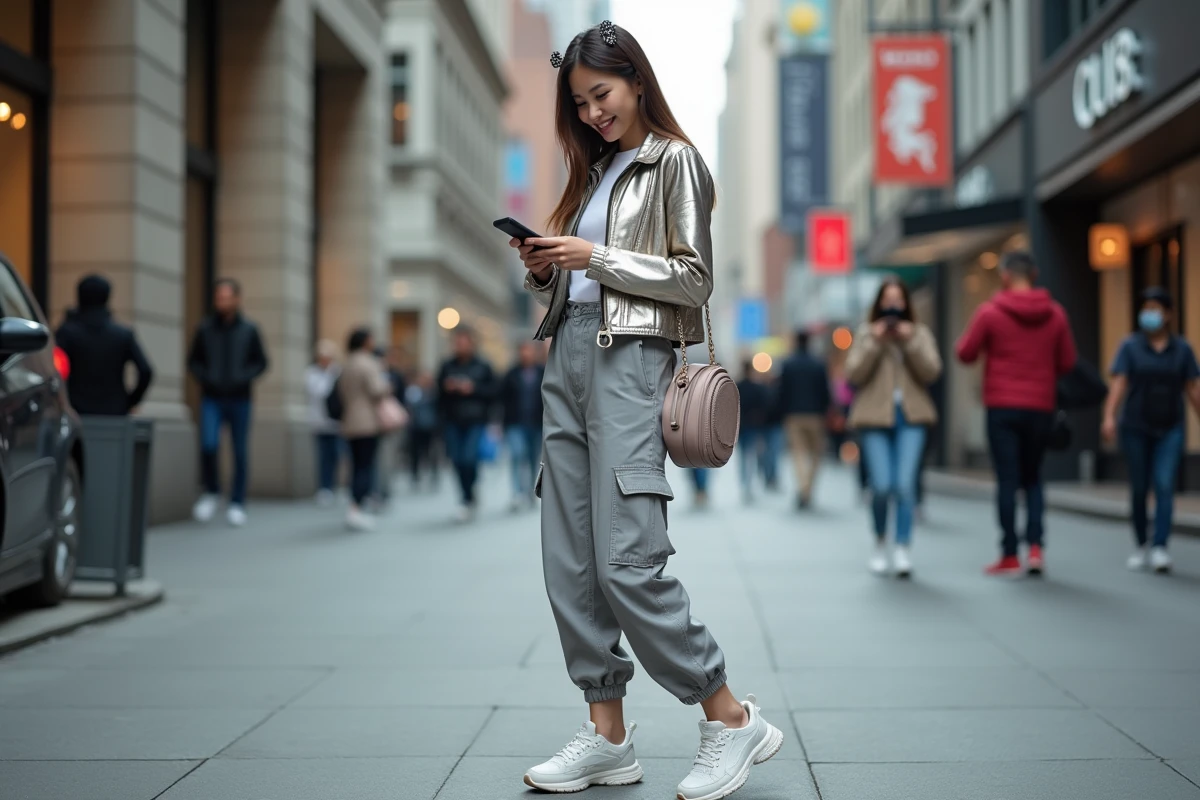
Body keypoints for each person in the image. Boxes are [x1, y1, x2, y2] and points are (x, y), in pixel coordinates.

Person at [509, 22, 782, 799]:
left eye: (602, 95)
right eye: (581, 103)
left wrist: (591, 255)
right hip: (567, 360)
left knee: (627, 558)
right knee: (569, 557)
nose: (593, 113)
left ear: (635, 81)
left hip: (632, 366)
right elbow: (585, 281)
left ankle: (729, 716)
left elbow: (693, 281)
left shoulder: (675, 161)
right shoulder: (594, 173)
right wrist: (546, 267)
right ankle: (607, 734)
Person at [957, 251, 1076, 576]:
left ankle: (1010, 554)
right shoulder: (1056, 315)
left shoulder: (990, 312)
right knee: (1034, 477)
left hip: (1002, 408)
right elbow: (1067, 362)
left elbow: (965, 353)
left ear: (1005, 276)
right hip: (1040, 406)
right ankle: (1036, 549)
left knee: (1007, 480)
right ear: (1034, 274)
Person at [845, 278, 942, 578]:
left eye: (898, 300)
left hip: (910, 419)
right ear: (878, 304)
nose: (892, 307)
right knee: (882, 485)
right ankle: (879, 541)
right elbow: (853, 374)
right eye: (887, 300)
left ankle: (902, 547)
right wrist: (875, 341)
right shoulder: (866, 333)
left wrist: (909, 340)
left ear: (906, 304)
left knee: (904, 484)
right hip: (875, 419)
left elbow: (932, 371)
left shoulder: (919, 333)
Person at [1102, 288, 1200, 574]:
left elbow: (1192, 389)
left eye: (1156, 308)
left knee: (1165, 484)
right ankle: (1141, 545)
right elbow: (1119, 383)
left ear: (1168, 314)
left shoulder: (1182, 350)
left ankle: (1160, 547)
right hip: (1135, 427)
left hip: (1170, 427)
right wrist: (1109, 416)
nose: (1150, 314)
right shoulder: (1130, 346)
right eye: (1147, 308)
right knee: (1140, 487)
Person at [188, 278, 269, 527]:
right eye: (218, 297)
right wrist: (206, 378)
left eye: (226, 297)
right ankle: (212, 491)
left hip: (240, 398)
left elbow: (261, 362)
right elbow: (193, 360)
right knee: (209, 444)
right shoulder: (205, 328)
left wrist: (242, 377)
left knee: (239, 449)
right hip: (212, 396)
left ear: (236, 298)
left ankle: (237, 501)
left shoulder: (249, 329)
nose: (221, 301)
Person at [55, 275, 154, 416]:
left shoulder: (66, 333)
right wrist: (130, 402)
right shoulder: (123, 335)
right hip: (115, 413)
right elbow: (146, 371)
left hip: (76, 412)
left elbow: (55, 368)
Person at [437, 326, 498, 521]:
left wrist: (473, 389)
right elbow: (438, 394)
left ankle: (469, 494)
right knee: (456, 460)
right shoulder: (447, 365)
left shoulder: (483, 365)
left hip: (475, 420)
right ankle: (466, 497)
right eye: (457, 343)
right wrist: (448, 388)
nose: (460, 346)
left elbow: (493, 392)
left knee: (469, 458)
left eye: (464, 342)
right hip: (452, 420)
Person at [338, 327, 391, 531]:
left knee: (356, 464)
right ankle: (356, 507)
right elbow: (377, 390)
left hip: (350, 420)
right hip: (367, 421)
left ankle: (356, 504)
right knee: (365, 466)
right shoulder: (368, 363)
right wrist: (388, 385)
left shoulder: (347, 364)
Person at [777, 331, 831, 508]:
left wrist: (782, 412)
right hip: (816, 415)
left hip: (794, 415)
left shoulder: (788, 364)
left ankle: (803, 488)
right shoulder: (818, 364)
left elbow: (781, 391)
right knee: (816, 454)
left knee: (798, 454)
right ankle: (808, 488)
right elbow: (825, 391)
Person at [501, 341, 545, 511]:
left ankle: (531, 491)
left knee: (534, 458)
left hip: (536, 423)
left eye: (529, 351)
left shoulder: (543, 372)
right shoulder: (511, 374)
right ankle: (517, 493)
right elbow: (502, 398)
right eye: (523, 351)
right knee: (517, 455)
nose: (526, 354)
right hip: (515, 423)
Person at [305, 340, 341, 506]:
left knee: (336, 455)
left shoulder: (337, 372)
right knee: (322, 457)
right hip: (319, 422)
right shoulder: (311, 373)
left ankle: (332, 486)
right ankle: (324, 488)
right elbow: (319, 392)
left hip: (336, 423)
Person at [736, 361, 771, 504]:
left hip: (740, 426)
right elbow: (764, 406)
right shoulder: (757, 388)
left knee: (743, 456)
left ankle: (745, 482)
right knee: (752, 454)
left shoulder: (737, 386)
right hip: (753, 425)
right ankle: (749, 482)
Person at [404, 372, 440, 489]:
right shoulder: (414, 392)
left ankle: (433, 475)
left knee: (430, 452)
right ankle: (415, 475)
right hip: (416, 427)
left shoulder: (435, 393)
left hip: (431, 427)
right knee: (415, 453)